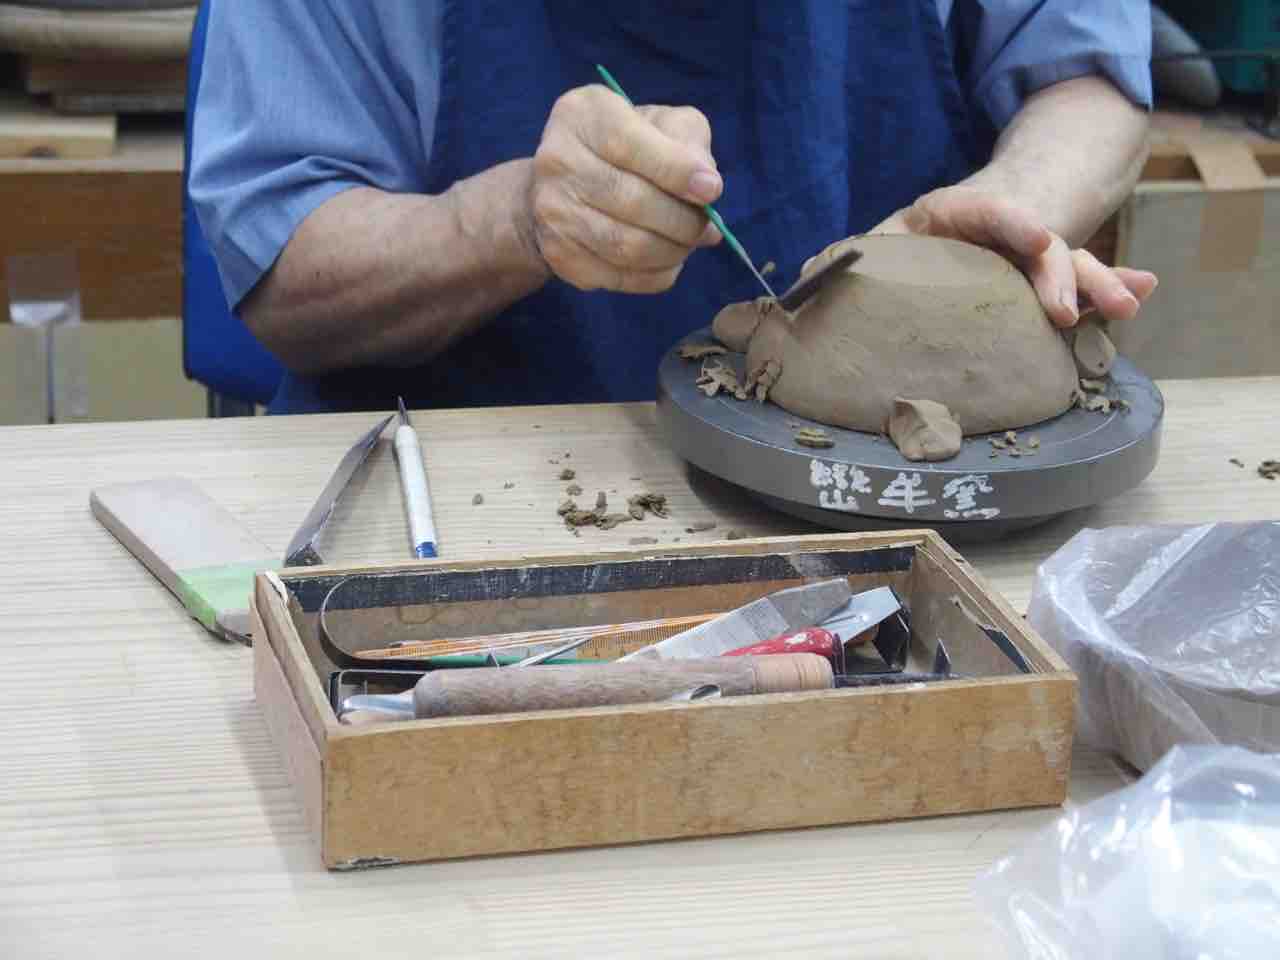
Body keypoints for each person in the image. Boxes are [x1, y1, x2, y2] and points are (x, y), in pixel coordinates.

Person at [190, 1, 1158, 415]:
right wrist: (512, 221)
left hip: (887, 489)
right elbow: (286, 278)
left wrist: (1006, 209)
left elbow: (1087, 75)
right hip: (473, 504)